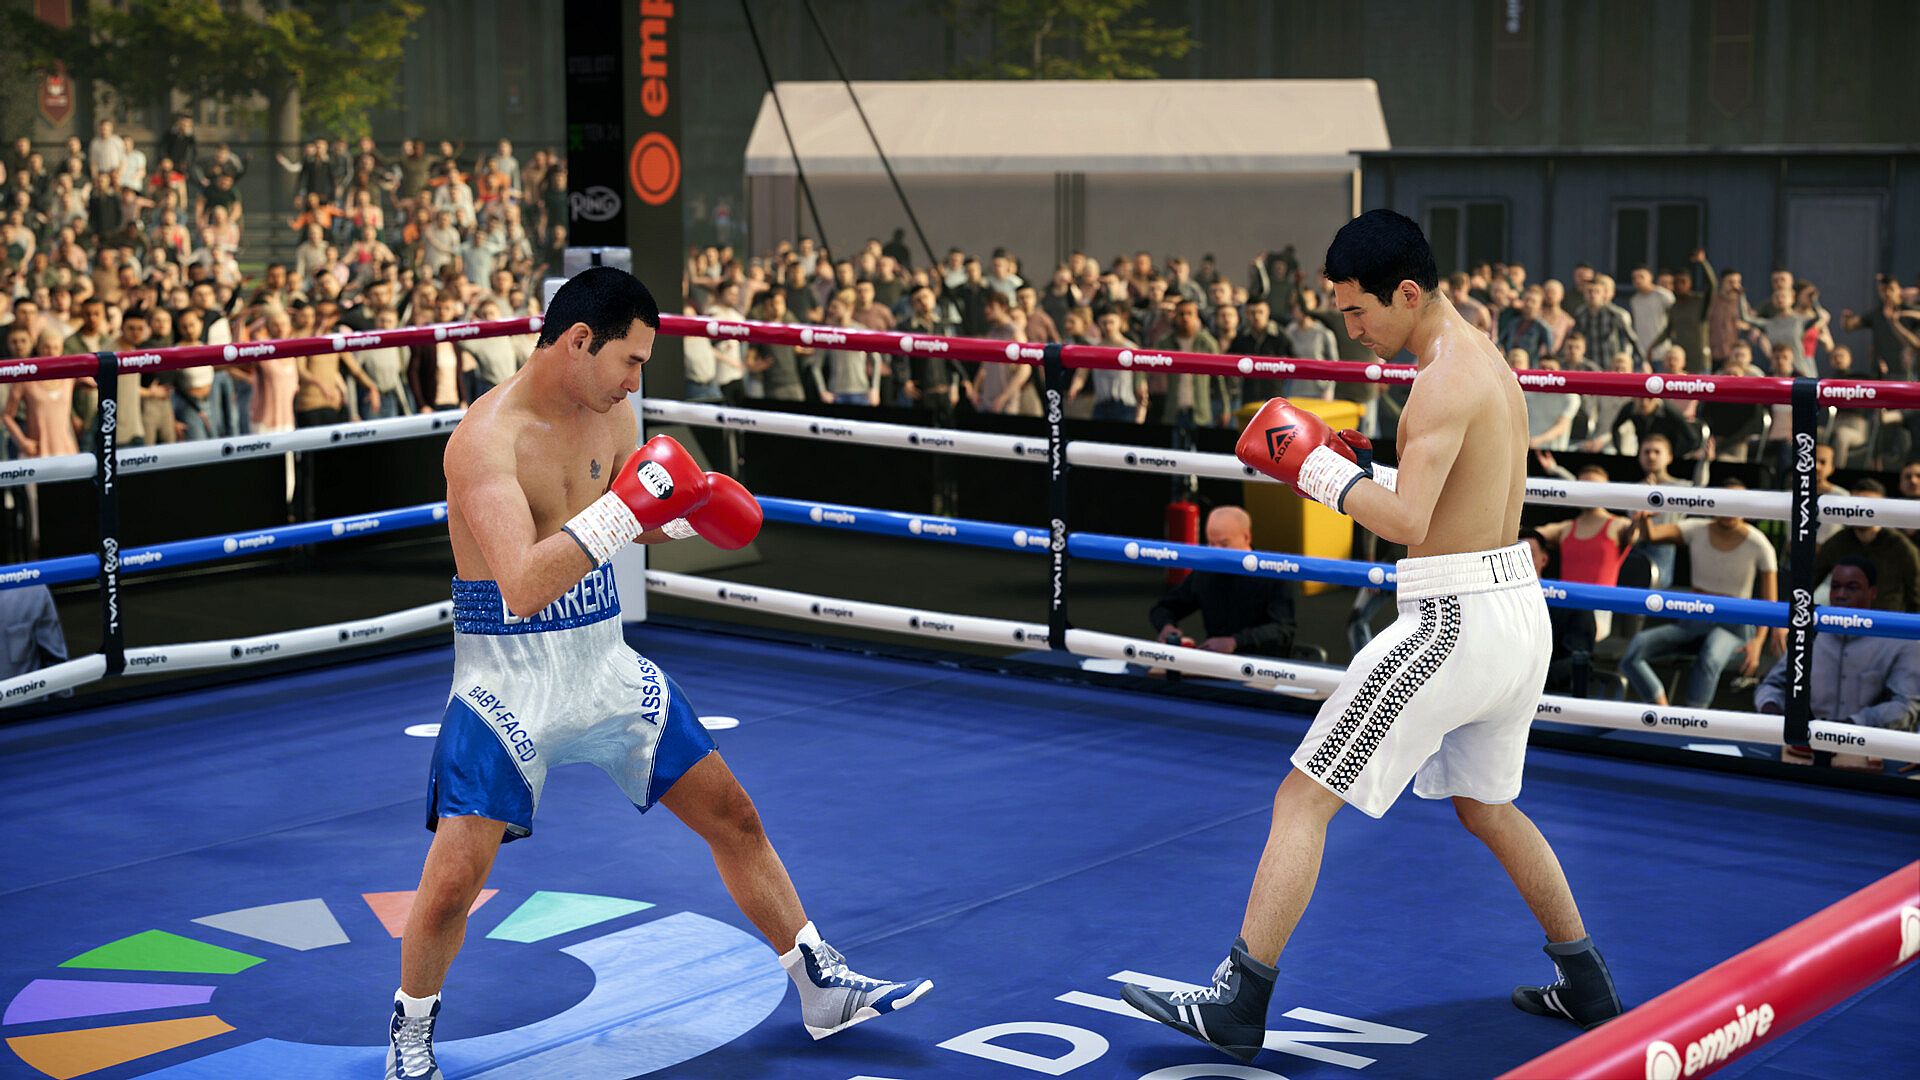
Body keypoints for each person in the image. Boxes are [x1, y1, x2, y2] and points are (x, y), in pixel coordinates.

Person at [387, 268, 930, 1080]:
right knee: (454, 882)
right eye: (631, 361)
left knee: (734, 816)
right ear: (580, 341)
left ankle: (820, 985)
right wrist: (626, 510)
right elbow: (523, 586)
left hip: (604, 659)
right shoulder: (484, 441)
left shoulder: (614, 411)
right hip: (509, 678)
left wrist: (691, 510)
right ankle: (410, 1032)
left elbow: (632, 521)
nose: (636, 381)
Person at [1123, 211, 1620, 1065]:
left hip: (1453, 623)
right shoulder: (1483, 360)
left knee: (1302, 798)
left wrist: (1313, 466)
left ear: (1408, 292)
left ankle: (1239, 1002)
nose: (1352, 329)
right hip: (1514, 612)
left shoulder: (1440, 381)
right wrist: (1360, 467)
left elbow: (1409, 522)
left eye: (1358, 310)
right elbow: (1456, 497)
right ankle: (1587, 981)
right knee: (1488, 807)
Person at [1619, 479, 1781, 708]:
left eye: (1737, 503)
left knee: (1711, 655)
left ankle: (1692, 719)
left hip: (1733, 625)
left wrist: (1757, 642)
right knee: (1637, 646)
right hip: (1693, 618)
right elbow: (1652, 535)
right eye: (1724, 502)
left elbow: (1770, 602)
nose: (1729, 510)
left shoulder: (1760, 544)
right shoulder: (1696, 529)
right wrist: (1645, 516)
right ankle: (1664, 714)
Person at [1759, 557, 1920, 770]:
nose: (1841, 595)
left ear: (1872, 592)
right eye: (1835, 587)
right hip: (1806, 751)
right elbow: (1772, 685)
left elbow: (1905, 706)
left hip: (1873, 754)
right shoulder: (1811, 633)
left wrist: (1851, 726)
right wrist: (1773, 710)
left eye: (1852, 588)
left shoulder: (1900, 641)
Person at [1147, 506, 1299, 658]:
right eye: (1211, 544)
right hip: (1216, 663)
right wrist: (1167, 627)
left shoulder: (1273, 573)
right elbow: (1164, 608)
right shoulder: (1206, 572)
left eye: (1224, 544)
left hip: (1263, 663)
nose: (1217, 551)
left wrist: (1235, 642)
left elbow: (1283, 630)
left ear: (1246, 537)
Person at [1813, 478, 1920, 613]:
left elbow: (1916, 597)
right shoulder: (1836, 543)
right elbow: (1808, 582)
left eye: (1868, 506)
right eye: (1855, 504)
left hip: (1887, 622)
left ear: (1882, 507)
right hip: (1844, 621)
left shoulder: (1902, 547)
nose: (1861, 511)